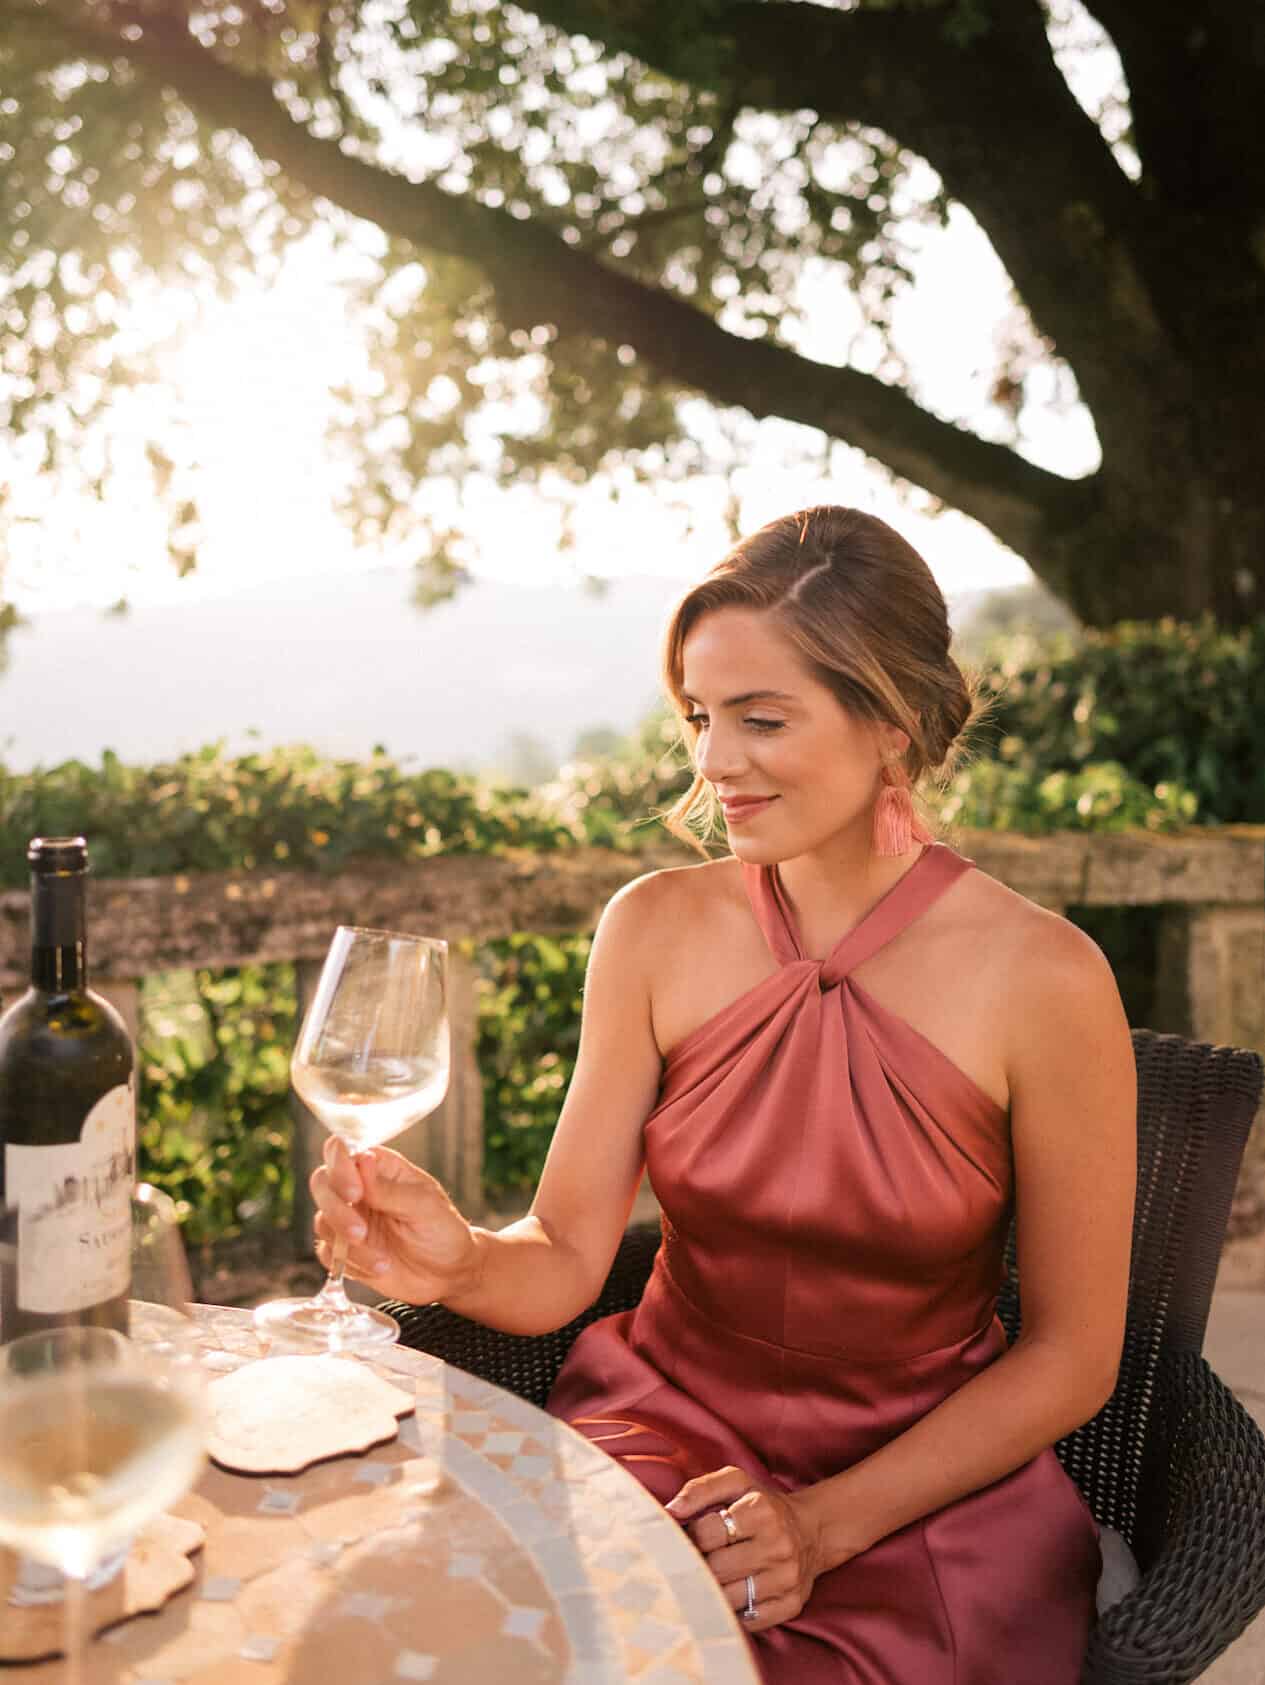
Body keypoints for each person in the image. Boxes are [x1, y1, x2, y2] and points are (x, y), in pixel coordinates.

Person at [311, 505, 1136, 1684]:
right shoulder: (651, 926)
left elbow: (1071, 1355)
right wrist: (455, 1262)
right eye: (699, 717)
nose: (712, 762)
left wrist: (822, 1522)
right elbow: (560, 1253)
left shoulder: (1044, 976)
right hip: (657, 1444)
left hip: (922, 1499)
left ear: (888, 724)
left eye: (761, 718)